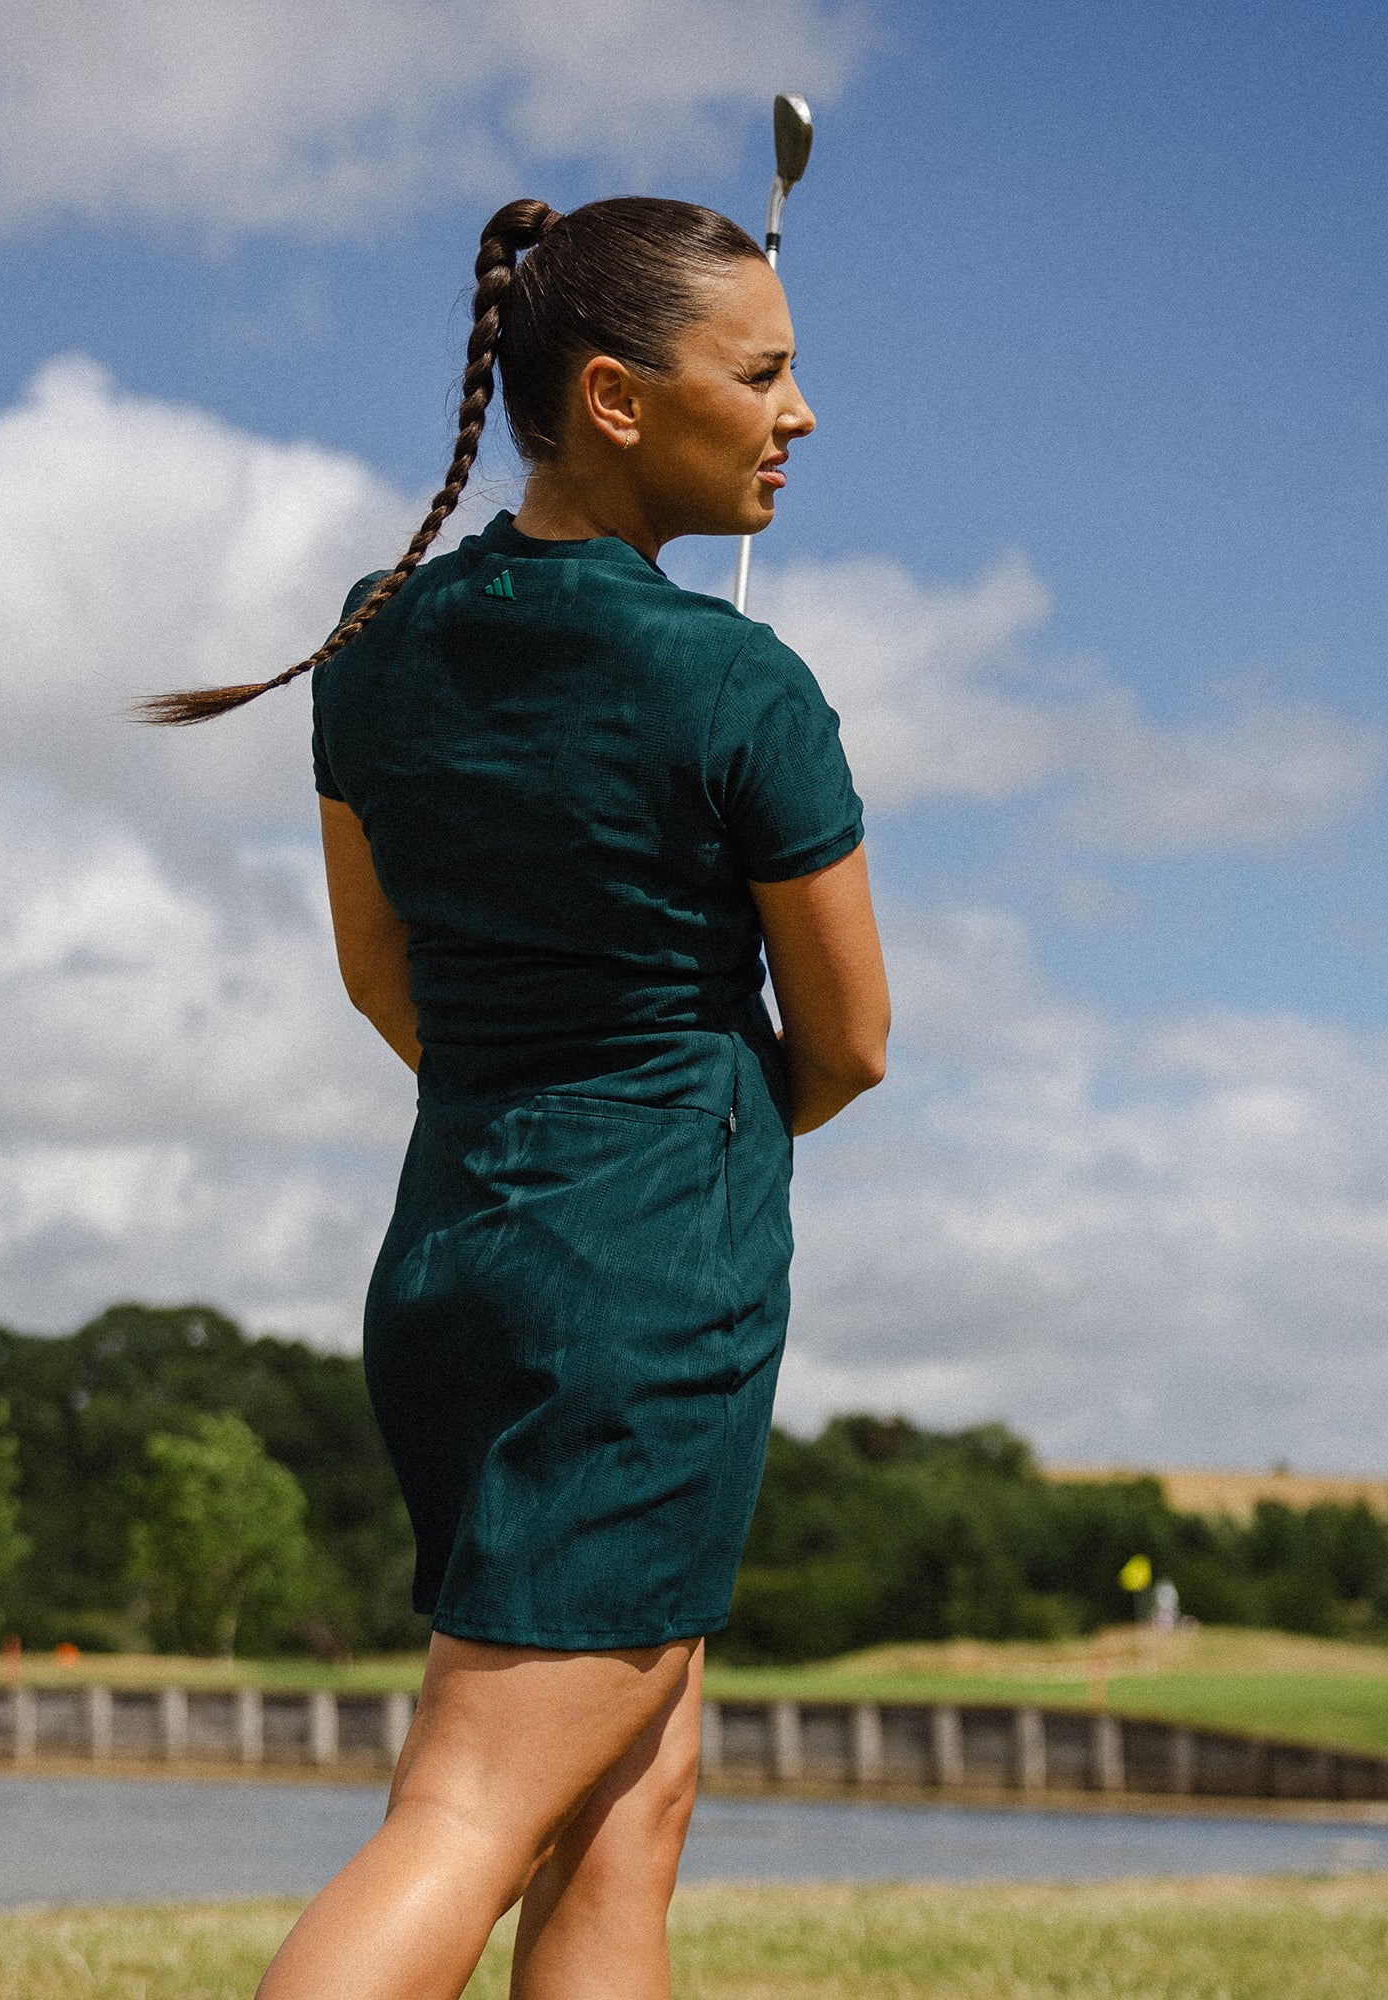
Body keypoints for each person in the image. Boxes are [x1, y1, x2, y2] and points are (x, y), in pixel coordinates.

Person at [141, 195, 888, 2000]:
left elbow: (377, 972)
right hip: (645, 1288)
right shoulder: (739, 678)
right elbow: (852, 1041)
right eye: (764, 373)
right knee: (473, 1810)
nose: (801, 415)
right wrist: (670, 1142)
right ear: (622, 399)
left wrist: (553, 1122)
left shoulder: (379, 628)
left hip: (453, 1259)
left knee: (632, 1802)